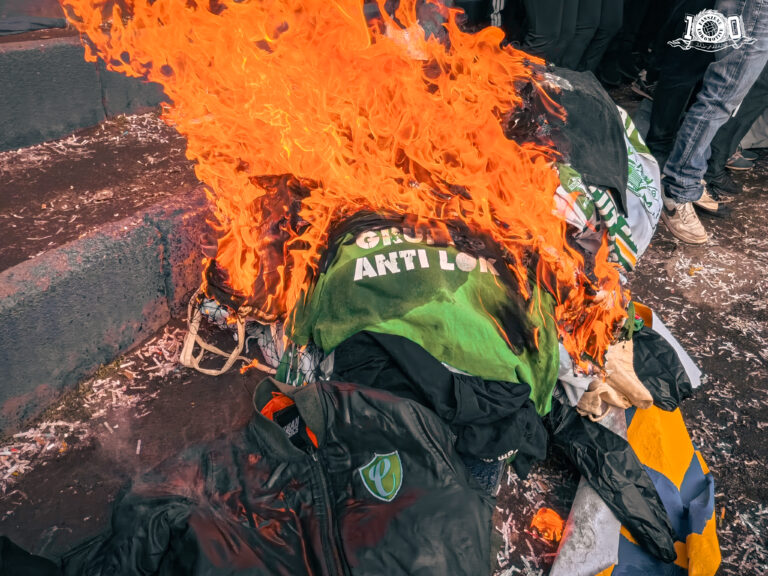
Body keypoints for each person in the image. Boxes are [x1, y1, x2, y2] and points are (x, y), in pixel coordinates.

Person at [661, 0, 768, 244]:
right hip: (755, 7)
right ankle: (677, 190)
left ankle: (690, 178)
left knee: (725, 98)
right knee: (720, 98)